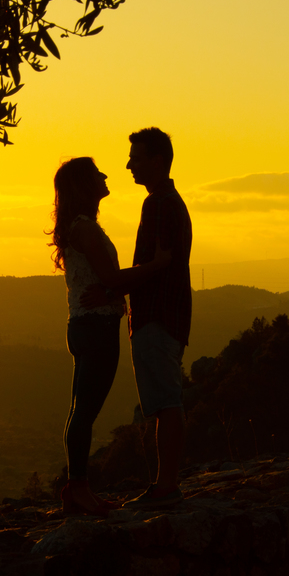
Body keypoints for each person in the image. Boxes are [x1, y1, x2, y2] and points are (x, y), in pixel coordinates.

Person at [49, 157, 169, 516]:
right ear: (86, 185)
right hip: (98, 327)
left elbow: (107, 282)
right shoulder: (85, 229)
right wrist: (157, 266)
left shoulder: (77, 227)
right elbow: (114, 279)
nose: (105, 175)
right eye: (97, 173)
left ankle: (77, 488)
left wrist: (111, 291)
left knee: (79, 409)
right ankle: (80, 489)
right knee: (85, 411)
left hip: (83, 325)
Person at [120, 127, 192, 508]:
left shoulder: (161, 204)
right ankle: (165, 483)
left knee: (166, 402)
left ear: (157, 161)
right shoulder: (164, 201)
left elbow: (159, 264)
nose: (129, 164)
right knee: (165, 402)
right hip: (161, 316)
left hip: (158, 317)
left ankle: (167, 486)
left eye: (136, 156)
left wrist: (117, 284)